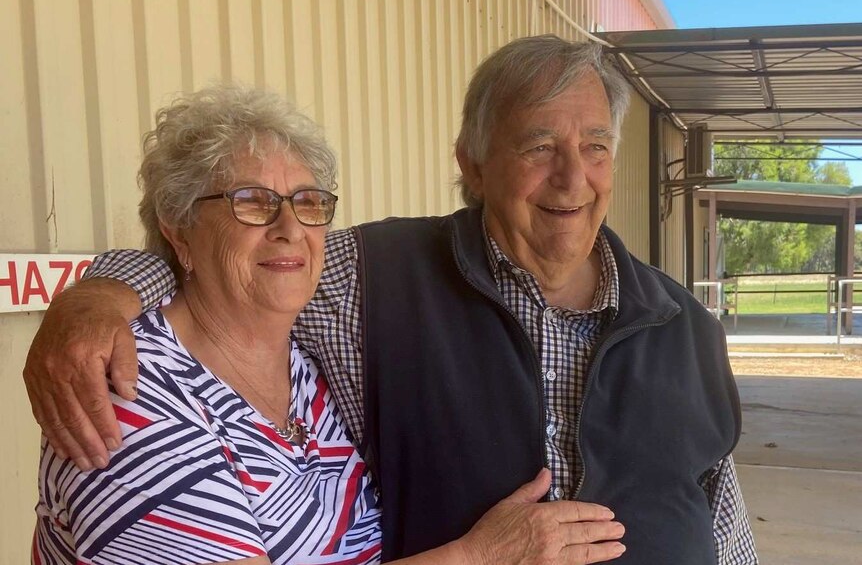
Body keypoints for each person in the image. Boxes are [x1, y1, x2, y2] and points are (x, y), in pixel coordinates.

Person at [24, 36, 757, 564]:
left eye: (595, 146)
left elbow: (724, 519)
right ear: (471, 161)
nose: (573, 178)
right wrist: (96, 298)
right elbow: (219, 269)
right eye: (539, 146)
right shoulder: (369, 279)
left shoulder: (684, 325)